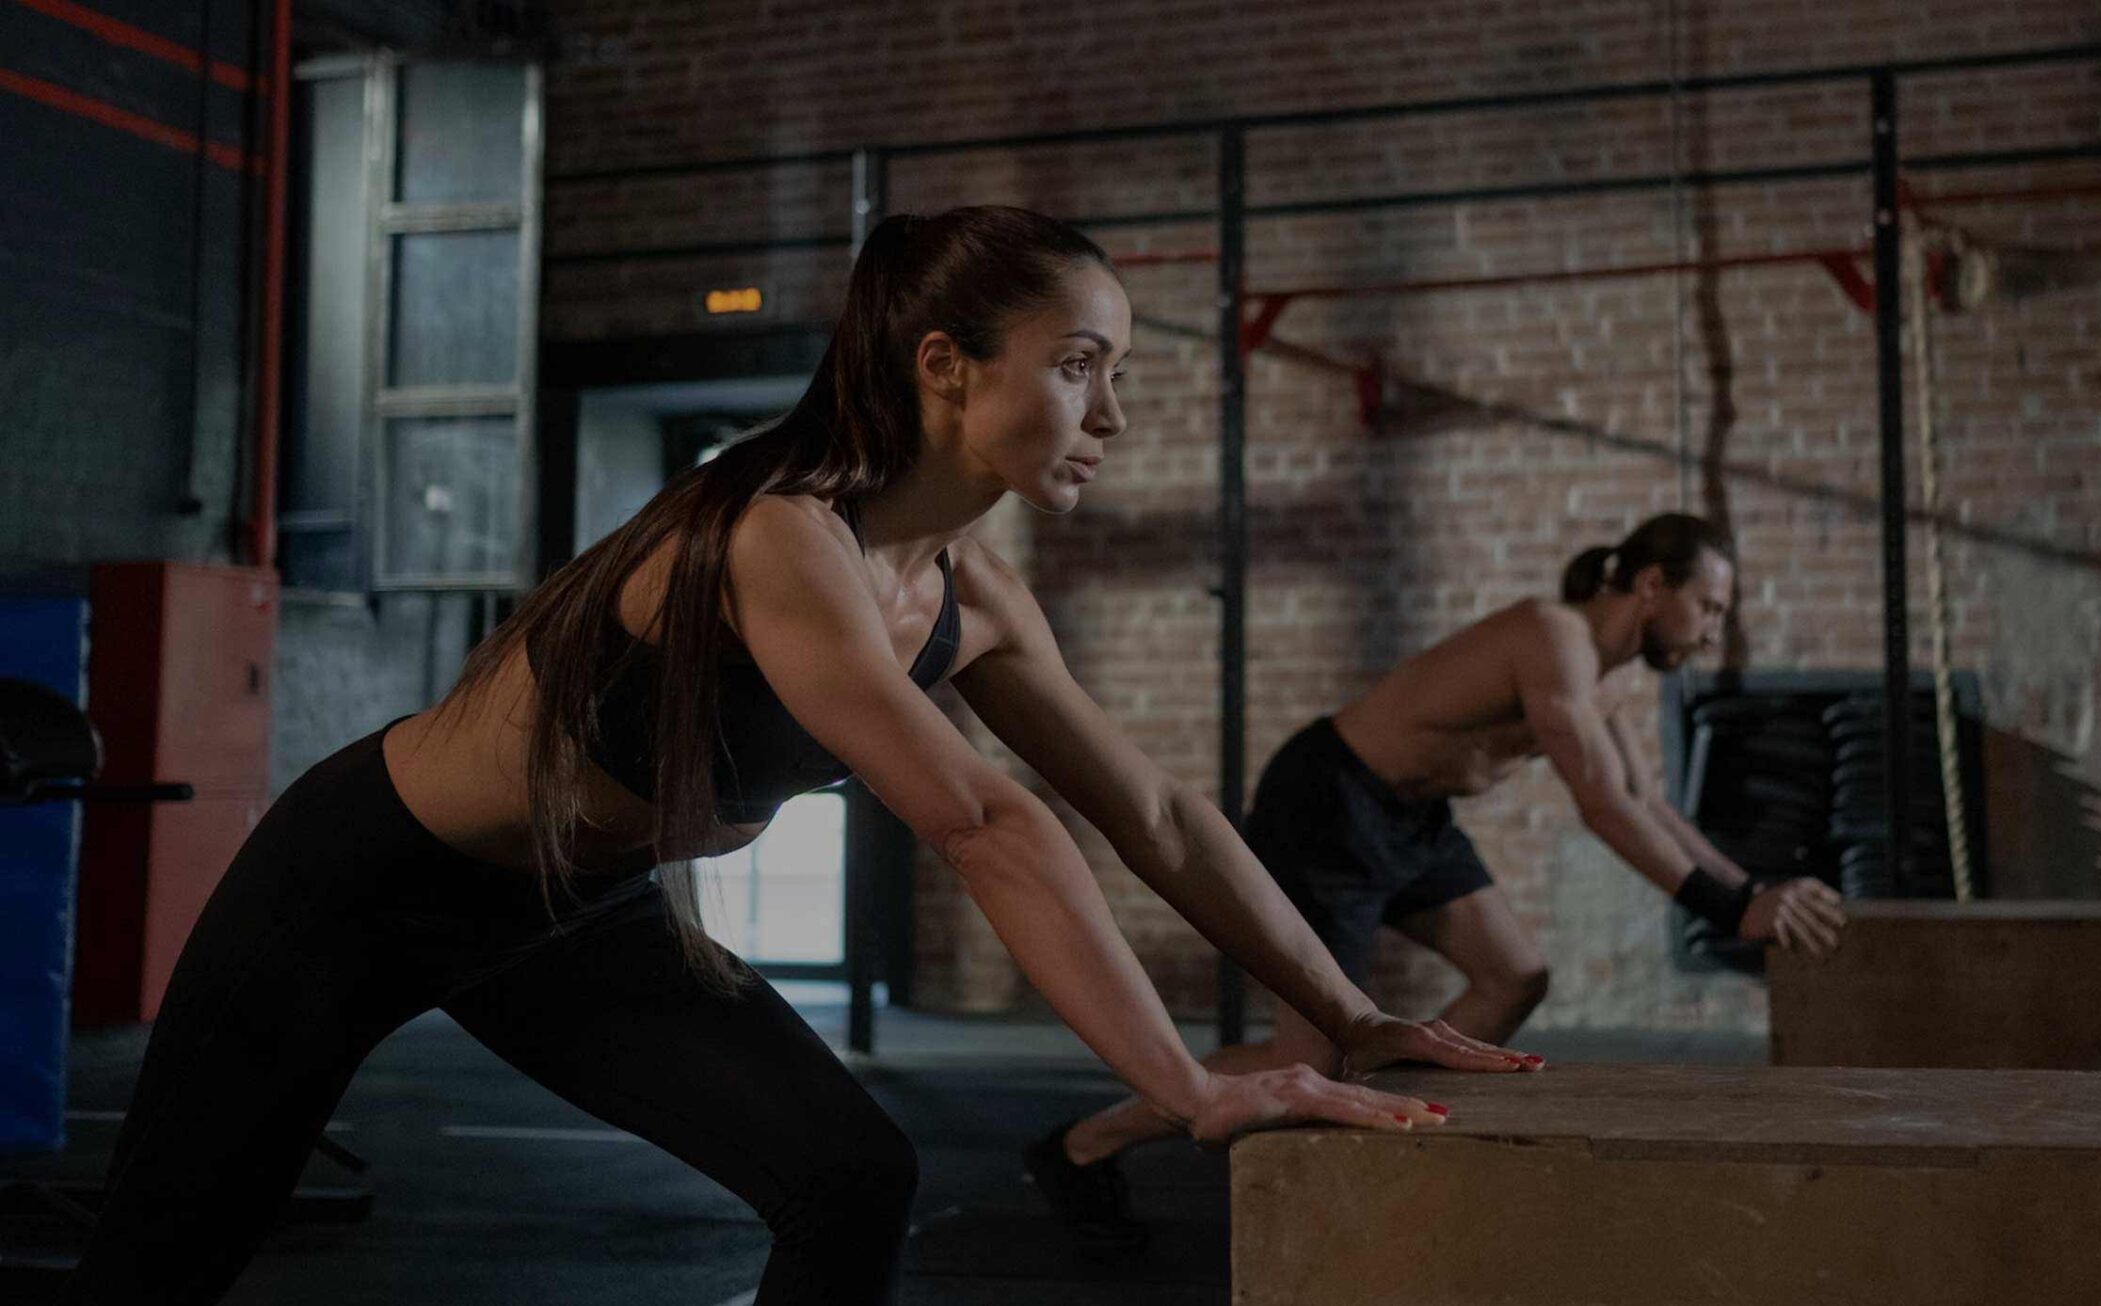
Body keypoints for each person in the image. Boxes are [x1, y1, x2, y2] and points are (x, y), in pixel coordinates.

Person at [66, 206, 1535, 1306]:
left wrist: (1348, 1012)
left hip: (569, 915)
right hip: (362, 879)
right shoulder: (779, 533)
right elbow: (981, 820)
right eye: (1081, 367)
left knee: (848, 1172)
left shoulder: (975, 594)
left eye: (1118, 372)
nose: (1114, 412)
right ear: (945, 366)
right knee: (164, 1259)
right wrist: (1191, 1085)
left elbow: (1154, 809)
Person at [1030, 512, 1847, 1243]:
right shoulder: (1554, 635)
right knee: (1310, 1061)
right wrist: (1731, 906)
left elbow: (1648, 805)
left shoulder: (1615, 680)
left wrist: (1749, 892)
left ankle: (1388, 1113)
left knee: (1514, 974)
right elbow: (1602, 807)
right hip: (1331, 801)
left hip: (1416, 822)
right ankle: (1081, 1144)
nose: (1713, 631)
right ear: (1650, 585)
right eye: (1709, 607)